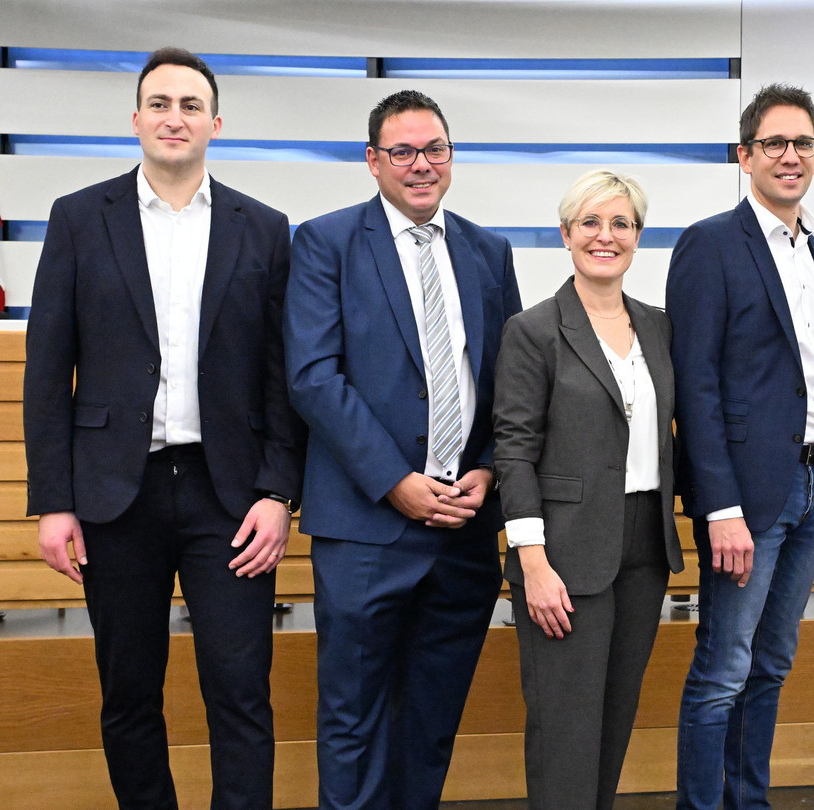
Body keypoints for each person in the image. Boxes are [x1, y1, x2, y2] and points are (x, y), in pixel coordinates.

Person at [22, 47, 306, 809]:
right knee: (129, 694)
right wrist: (53, 501)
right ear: (136, 119)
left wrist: (278, 493)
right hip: (114, 496)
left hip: (230, 498)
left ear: (215, 123)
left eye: (189, 105)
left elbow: (282, 376)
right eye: (159, 103)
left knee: (240, 692)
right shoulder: (79, 218)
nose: (173, 118)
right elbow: (47, 369)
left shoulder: (264, 228)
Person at [284, 89, 522, 810]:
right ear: (373, 161)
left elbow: (509, 381)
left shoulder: (488, 251)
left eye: (434, 149)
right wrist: (395, 480)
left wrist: (488, 469)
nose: (421, 165)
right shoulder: (325, 242)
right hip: (367, 526)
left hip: (464, 528)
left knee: (430, 720)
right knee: (353, 717)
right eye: (403, 152)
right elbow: (313, 377)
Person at [667, 83, 814, 810]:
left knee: (772, 664)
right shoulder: (711, 243)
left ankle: (746, 800)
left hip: (811, 487)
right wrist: (718, 506)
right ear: (744, 155)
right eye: (774, 143)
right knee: (723, 669)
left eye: (802, 143)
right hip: (745, 499)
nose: (790, 156)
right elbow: (696, 385)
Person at [493, 169, 685, 809]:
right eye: (591, 223)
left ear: (638, 236)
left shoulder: (658, 327)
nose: (607, 236)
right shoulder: (533, 330)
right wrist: (532, 561)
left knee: (613, 723)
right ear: (565, 234)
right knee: (566, 731)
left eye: (621, 223)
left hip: (643, 548)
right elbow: (514, 449)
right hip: (564, 554)